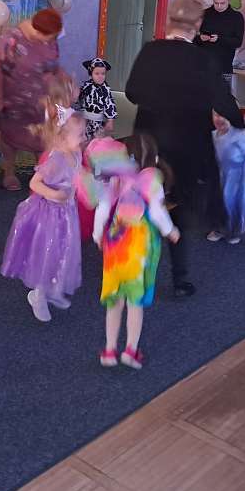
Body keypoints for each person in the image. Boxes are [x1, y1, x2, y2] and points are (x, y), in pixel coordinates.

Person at [126, 0, 244, 299]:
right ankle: (179, 278)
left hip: (149, 142)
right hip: (186, 146)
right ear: (197, 25)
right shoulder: (202, 59)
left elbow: (132, 92)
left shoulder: (150, 51)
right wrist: (238, 122)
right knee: (177, 208)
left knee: (144, 202)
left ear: (169, 21)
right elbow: (224, 101)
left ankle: (135, 269)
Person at [82, 136, 178, 369]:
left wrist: (97, 235)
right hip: (139, 245)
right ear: (154, 158)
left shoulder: (117, 179)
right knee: (135, 301)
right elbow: (157, 210)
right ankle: (130, 350)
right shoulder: (152, 178)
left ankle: (109, 350)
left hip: (116, 241)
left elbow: (104, 207)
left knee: (114, 298)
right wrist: (170, 230)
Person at [0, 75, 86, 322]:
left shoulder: (75, 154)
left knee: (64, 250)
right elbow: (34, 183)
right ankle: (38, 294)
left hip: (67, 213)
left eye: (83, 134)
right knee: (48, 252)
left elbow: (77, 177)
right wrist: (55, 194)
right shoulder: (55, 159)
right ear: (62, 138)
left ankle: (54, 289)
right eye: (79, 135)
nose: (83, 138)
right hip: (49, 214)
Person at [0, 8, 64, 191]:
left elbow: (53, 66)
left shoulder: (50, 40)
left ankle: (43, 174)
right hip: (14, 99)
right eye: (49, 37)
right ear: (38, 31)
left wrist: (62, 82)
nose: (51, 41)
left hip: (41, 100)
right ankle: (9, 173)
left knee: (42, 138)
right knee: (10, 138)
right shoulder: (11, 40)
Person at [207, 110, 245, 245]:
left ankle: (233, 231)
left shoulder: (238, 136)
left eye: (223, 115)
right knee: (219, 201)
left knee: (232, 202)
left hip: (237, 176)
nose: (219, 119)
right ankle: (219, 227)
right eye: (216, 115)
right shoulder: (213, 134)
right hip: (221, 174)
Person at [194, 0, 245, 85]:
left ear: (229, 0)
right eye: (216, 3)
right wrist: (200, 38)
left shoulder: (236, 17)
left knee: (223, 94)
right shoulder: (204, 14)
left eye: (222, 3)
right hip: (203, 67)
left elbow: (238, 42)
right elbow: (191, 38)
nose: (219, 6)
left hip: (224, 68)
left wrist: (219, 39)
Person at [76, 57, 117, 141]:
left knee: (97, 140)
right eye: (97, 73)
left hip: (98, 121)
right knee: (84, 139)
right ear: (91, 73)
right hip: (85, 119)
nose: (100, 76)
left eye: (103, 74)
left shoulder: (105, 89)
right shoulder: (86, 86)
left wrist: (110, 120)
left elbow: (110, 104)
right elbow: (79, 98)